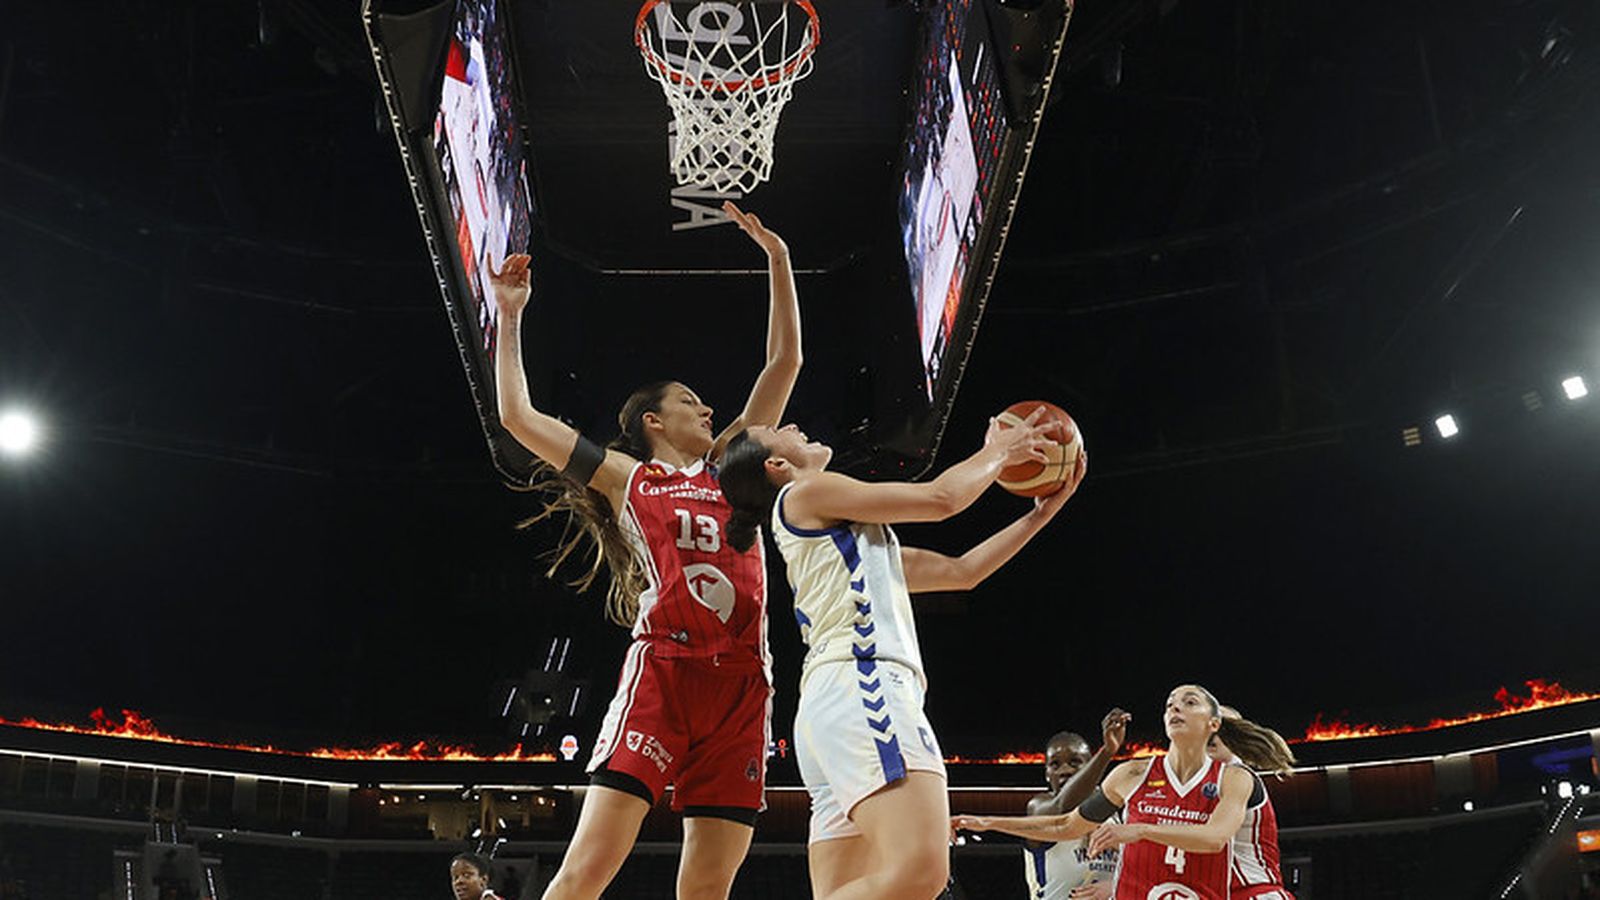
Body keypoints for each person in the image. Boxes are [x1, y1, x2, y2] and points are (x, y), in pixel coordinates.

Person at [492, 201, 801, 900]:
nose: (709, 410)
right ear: (654, 420)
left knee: (706, 892)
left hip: (744, 686)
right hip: (664, 675)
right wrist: (511, 315)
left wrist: (779, 260)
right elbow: (517, 417)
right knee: (586, 872)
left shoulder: (736, 465)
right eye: (692, 402)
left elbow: (785, 360)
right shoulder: (630, 477)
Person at [717, 410, 1087, 900]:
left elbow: (962, 571)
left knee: (846, 889)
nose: (795, 427)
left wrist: (1042, 512)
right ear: (778, 466)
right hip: (865, 689)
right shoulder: (805, 493)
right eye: (780, 432)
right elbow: (941, 499)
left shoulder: (850, 541)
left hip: (833, 707)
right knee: (922, 872)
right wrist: (1000, 449)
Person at [951, 685, 1295, 900]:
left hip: (1251, 892)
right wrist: (985, 821)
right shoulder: (1133, 775)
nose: (1175, 707)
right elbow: (1063, 823)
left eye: (1188, 702)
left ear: (1213, 726)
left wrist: (1137, 832)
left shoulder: (1235, 777)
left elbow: (1213, 838)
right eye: (1169, 703)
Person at [1022, 709, 1131, 900]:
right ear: (1047, 774)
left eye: (1075, 762)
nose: (1064, 770)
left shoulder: (1116, 814)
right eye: (1055, 765)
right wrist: (1107, 751)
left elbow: (1141, 869)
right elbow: (1063, 806)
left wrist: (1116, 885)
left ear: (1090, 768)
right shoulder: (1039, 807)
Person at [1208, 706, 1296, 900]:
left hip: (1255, 894)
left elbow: (1211, 837)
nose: (1211, 732)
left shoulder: (1238, 776)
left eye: (1222, 726)